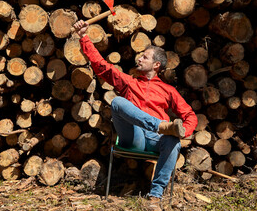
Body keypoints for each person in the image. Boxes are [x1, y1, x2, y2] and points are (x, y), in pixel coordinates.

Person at [73, 20, 198, 202]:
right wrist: (83, 36)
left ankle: (155, 197)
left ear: (156, 65)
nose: (139, 58)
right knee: (117, 102)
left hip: (157, 140)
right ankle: (162, 126)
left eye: (145, 57)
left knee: (174, 141)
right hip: (134, 136)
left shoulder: (168, 90)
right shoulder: (129, 82)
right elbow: (101, 66)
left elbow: (189, 115)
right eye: (141, 55)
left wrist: (184, 132)